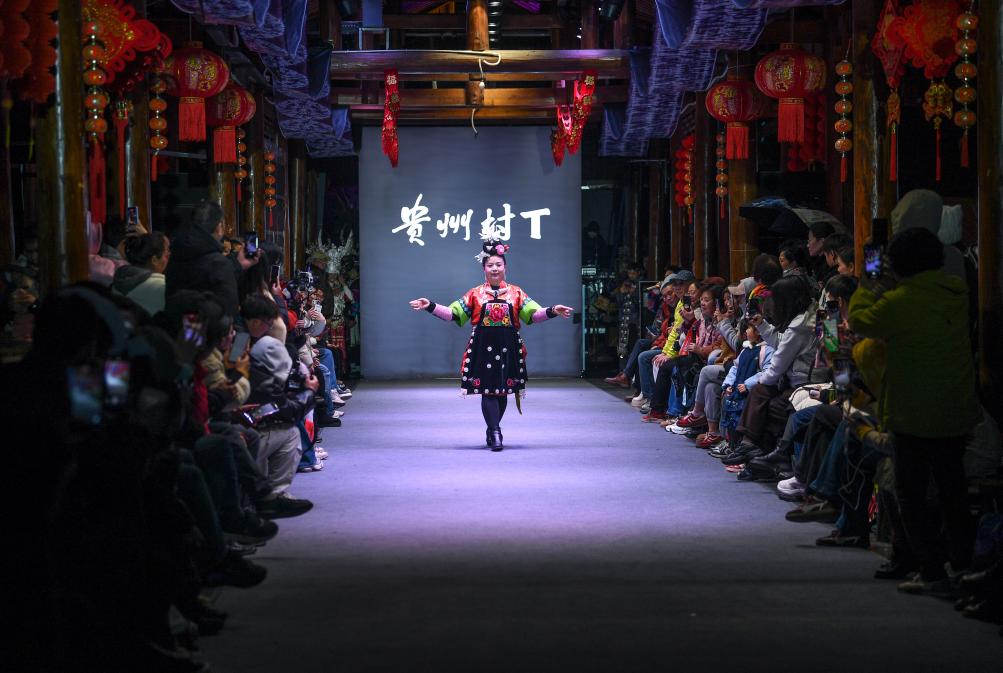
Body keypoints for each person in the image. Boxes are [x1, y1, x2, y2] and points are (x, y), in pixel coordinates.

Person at [849, 225, 979, 594]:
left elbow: (860, 320)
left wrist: (871, 275)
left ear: (898, 265)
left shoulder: (900, 302)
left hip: (914, 413)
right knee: (953, 492)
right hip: (955, 408)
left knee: (912, 495)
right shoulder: (956, 294)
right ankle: (962, 566)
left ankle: (932, 569)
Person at [409, 239, 572, 451]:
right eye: (490, 265)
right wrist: (430, 305)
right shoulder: (475, 293)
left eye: (498, 264)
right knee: (489, 391)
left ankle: (492, 428)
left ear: (505, 267)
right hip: (482, 348)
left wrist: (552, 310)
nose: (494, 268)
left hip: (508, 348)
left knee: (503, 391)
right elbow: (452, 314)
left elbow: (534, 315)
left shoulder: (516, 293)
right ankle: (495, 431)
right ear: (483, 269)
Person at [166, 200, 255, 317]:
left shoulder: (176, 254)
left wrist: (237, 264)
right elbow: (228, 311)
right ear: (219, 227)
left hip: (176, 325)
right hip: (208, 326)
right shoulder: (219, 263)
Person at [112, 232, 170, 316]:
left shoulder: (120, 277)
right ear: (154, 260)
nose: (169, 259)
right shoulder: (161, 286)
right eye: (166, 255)